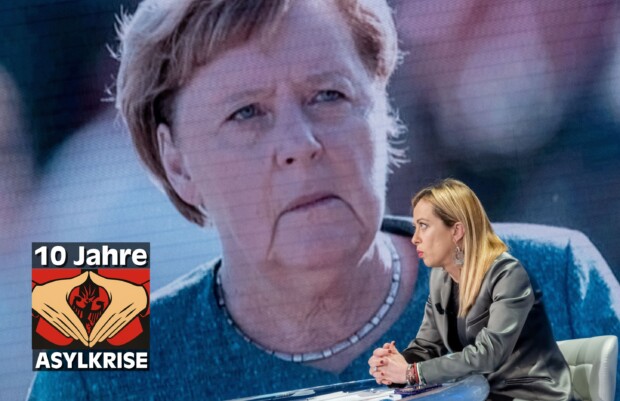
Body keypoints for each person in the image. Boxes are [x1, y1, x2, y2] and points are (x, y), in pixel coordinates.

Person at [28, 1, 431, 399]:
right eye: (247, 113)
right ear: (177, 164)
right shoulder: (95, 374)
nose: (300, 144)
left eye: (328, 95)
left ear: (383, 108)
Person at [368, 179, 577, 401]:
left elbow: (489, 355)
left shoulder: (508, 275)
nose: (415, 238)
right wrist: (394, 364)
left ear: (456, 230)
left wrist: (412, 373)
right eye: (415, 228)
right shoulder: (440, 277)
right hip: (484, 395)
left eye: (424, 226)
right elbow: (427, 346)